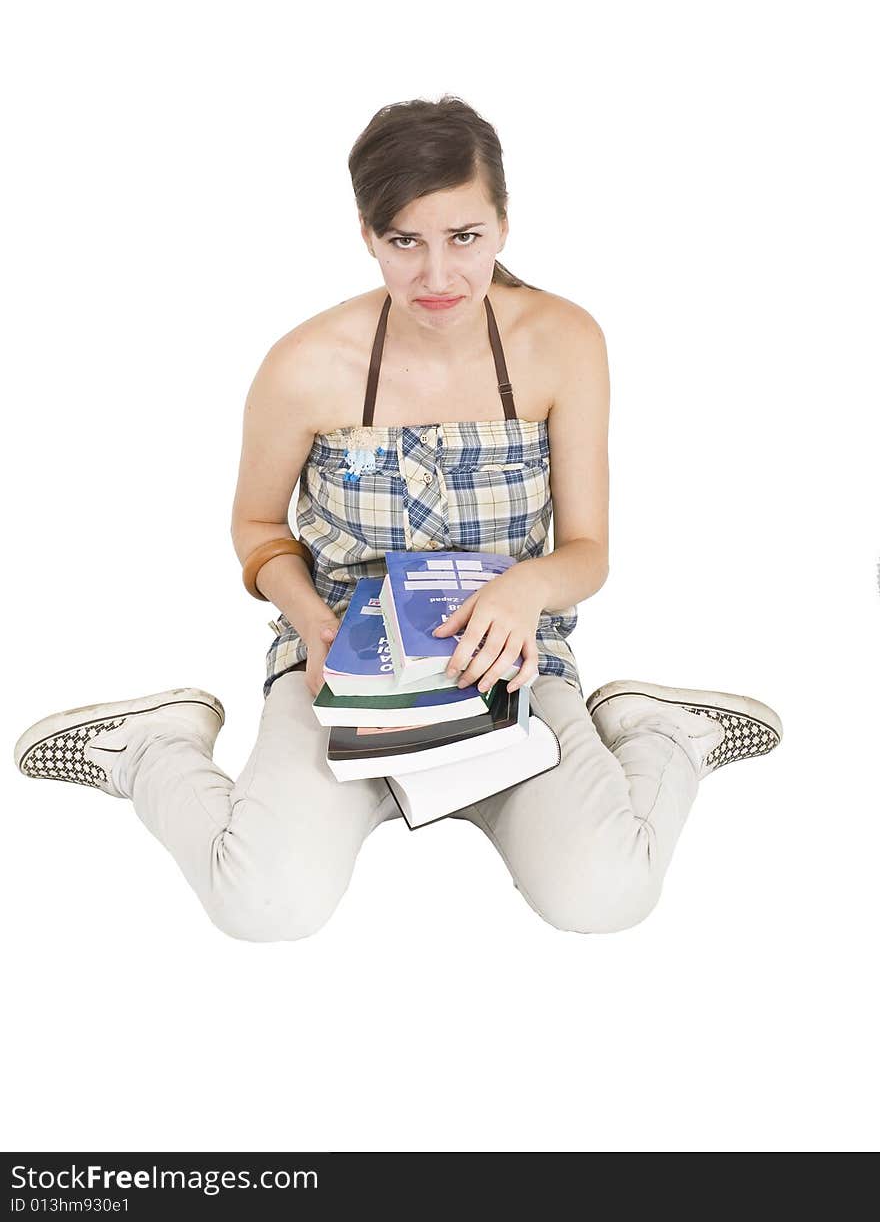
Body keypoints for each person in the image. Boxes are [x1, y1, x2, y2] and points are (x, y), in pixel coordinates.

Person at [13, 94, 783, 940]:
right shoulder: (305, 364)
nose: (438, 277)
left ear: (503, 224)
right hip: (340, 672)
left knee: (606, 893)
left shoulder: (564, 342)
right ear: (368, 233)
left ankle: (662, 734)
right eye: (404, 242)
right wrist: (312, 625)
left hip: (509, 672)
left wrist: (528, 588)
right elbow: (257, 526)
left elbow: (589, 551)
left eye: (465, 238)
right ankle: (156, 749)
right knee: (264, 903)